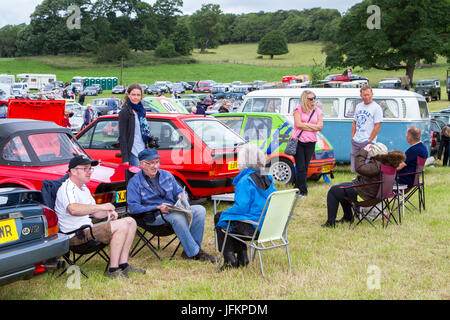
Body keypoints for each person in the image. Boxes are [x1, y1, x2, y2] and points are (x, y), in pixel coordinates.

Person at [54, 155, 145, 278]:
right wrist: (101, 207)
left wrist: (108, 212)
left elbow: (94, 213)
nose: (89, 172)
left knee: (130, 221)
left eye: (90, 169)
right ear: (73, 171)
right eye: (85, 169)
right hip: (75, 235)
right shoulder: (67, 188)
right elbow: (73, 209)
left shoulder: (83, 188)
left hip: (88, 229)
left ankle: (123, 265)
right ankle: (113, 270)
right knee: (122, 225)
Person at [127, 148, 216, 263]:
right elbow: (133, 208)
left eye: (156, 162)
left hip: (173, 210)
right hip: (154, 216)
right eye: (150, 163)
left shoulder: (167, 175)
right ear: (141, 164)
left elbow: (180, 191)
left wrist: (182, 196)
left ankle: (191, 249)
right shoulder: (134, 183)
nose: (154, 166)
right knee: (177, 217)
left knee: (200, 210)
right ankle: (195, 253)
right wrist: (156, 207)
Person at [215, 144, 277, 268]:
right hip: (269, 226)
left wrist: (226, 214)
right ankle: (242, 256)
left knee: (220, 218)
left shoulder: (245, 180)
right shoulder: (268, 177)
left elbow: (241, 208)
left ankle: (230, 259)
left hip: (254, 228)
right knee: (230, 219)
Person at [322, 143, 405, 227]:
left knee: (333, 190)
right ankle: (347, 217)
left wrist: (364, 152)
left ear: (374, 152)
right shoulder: (387, 164)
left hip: (366, 194)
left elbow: (359, 167)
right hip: (373, 191)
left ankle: (330, 222)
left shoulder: (377, 165)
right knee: (341, 188)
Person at [292, 90, 323, 197]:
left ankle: (296, 188)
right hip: (299, 141)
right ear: (305, 99)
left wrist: (307, 125)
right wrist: (312, 126)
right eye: (311, 99)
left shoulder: (317, 111)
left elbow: (320, 126)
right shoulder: (298, 109)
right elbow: (298, 124)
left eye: (314, 98)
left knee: (305, 166)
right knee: (300, 167)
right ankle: (303, 191)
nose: (313, 100)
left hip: (311, 141)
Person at [351, 85, 383, 173]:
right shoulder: (358, 106)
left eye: (368, 95)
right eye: (364, 95)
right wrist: (352, 137)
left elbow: (378, 125)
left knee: (365, 165)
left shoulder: (376, 108)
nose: (367, 97)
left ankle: (363, 182)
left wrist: (370, 140)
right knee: (355, 163)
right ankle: (355, 180)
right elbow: (354, 123)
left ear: (372, 94)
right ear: (361, 95)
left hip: (367, 141)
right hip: (356, 140)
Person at [118, 83, 152, 166]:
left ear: (141, 96)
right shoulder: (124, 112)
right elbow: (122, 136)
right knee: (137, 178)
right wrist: (125, 159)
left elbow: (144, 131)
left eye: (138, 95)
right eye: (133, 94)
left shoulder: (142, 111)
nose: (136, 97)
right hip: (133, 152)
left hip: (143, 152)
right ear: (128, 95)